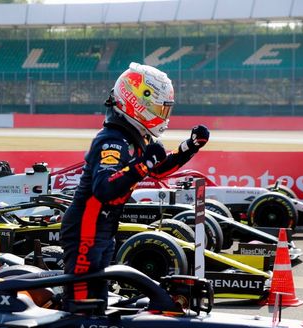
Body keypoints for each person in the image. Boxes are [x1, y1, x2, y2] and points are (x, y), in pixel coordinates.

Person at [60, 62, 210, 305]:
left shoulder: (132, 136)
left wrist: (189, 147)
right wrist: (144, 163)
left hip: (102, 229)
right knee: (82, 302)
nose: (164, 115)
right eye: (160, 108)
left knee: (96, 298)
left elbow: (158, 171)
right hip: (85, 231)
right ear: (139, 102)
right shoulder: (112, 140)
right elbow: (105, 188)